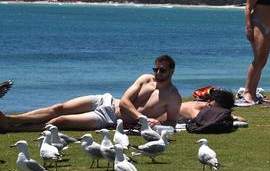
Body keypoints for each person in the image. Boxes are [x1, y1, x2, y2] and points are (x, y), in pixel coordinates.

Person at [0, 55, 182, 132]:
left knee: (60, 122)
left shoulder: (173, 97)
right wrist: (142, 117)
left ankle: (14, 128)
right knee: (59, 107)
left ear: (171, 72)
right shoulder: (145, 79)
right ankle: (10, 120)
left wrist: (158, 122)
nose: (157, 73)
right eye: (156, 69)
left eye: (162, 71)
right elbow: (126, 101)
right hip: (107, 100)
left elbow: (173, 122)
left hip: (109, 118)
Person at [179, 89, 245, 124]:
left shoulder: (208, 106)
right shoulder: (196, 108)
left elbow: (242, 119)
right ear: (208, 101)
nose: (213, 110)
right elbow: (200, 120)